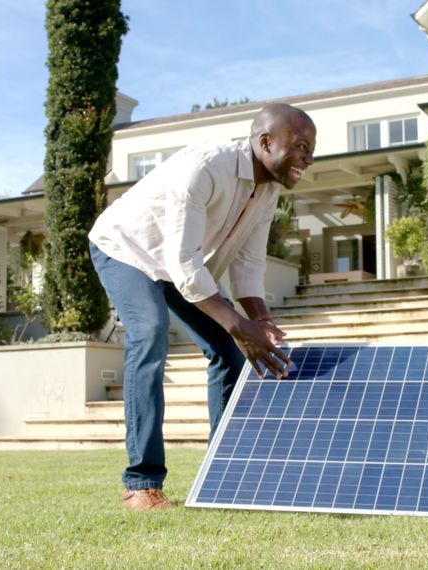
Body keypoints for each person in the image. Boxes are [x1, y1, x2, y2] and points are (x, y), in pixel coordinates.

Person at [88, 103, 315, 510]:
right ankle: (142, 483)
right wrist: (235, 322)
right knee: (150, 332)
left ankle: (223, 473)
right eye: (300, 145)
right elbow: (185, 264)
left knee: (230, 351)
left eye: (311, 149)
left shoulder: (268, 191)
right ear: (265, 142)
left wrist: (260, 321)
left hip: (180, 265)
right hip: (127, 248)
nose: (308, 157)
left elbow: (248, 265)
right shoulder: (205, 168)